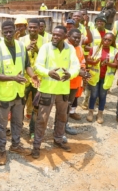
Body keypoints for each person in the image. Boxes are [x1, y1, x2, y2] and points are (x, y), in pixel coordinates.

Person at [0, 20, 39, 165]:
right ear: (2, 33)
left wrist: (32, 75)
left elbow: (27, 65)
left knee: (18, 121)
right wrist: (13, 78)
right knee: (2, 125)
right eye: (6, 32)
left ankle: (15, 145)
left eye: (11, 31)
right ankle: (2, 150)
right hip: (4, 94)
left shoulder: (21, 46)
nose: (9, 34)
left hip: (19, 93)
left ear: (15, 31)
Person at [32, 26, 80, 158]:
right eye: (53, 34)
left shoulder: (70, 49)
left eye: (58, 35)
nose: (55, 37)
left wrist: (71, 74)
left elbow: (76, 66)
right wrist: (48, 72)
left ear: (65, 36)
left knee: (62, 117)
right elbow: (37, 66)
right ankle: (37, 145)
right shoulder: (46, 48)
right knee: (42, 119)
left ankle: (58, 139)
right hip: (47, 90)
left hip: (63, 90)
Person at [19, 18, 43, 140]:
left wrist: (38, 50)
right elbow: (17, 58)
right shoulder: (21, 40)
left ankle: (32, 130)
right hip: (24, 79)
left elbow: (47, 59)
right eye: (31, 27)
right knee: (20, 105)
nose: (32, 29)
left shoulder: (45, 41)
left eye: (35, 27)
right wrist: (25, 50)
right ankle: (18, 128)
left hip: (38, 80)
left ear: (39, 28)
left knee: (36, 107)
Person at [86, 33, 118, 124]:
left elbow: (116, 64)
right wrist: (95, 62)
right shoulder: (95, 48)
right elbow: (88, 60)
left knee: (103, 96)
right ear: (102, 39)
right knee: (93, 95)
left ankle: (100, 113)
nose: (106, 41)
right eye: (105, 39)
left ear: (112, 41)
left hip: (106, 77)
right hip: (95, 76)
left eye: (109, 40)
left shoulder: (115, 51)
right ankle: (90, 112)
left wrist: (107, 63)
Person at [66, 29, 88, 128]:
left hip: (76, 81)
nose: (77, 39)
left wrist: (84, 71)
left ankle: (65, 122)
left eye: (79, 38)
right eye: (74, 37)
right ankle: (62, 125)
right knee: (63, 105)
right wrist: (80, 71)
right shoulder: (65, 48)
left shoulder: (79, 48)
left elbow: (82, 62)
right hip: (65, 82)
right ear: (68, 36)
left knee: (70, 102)